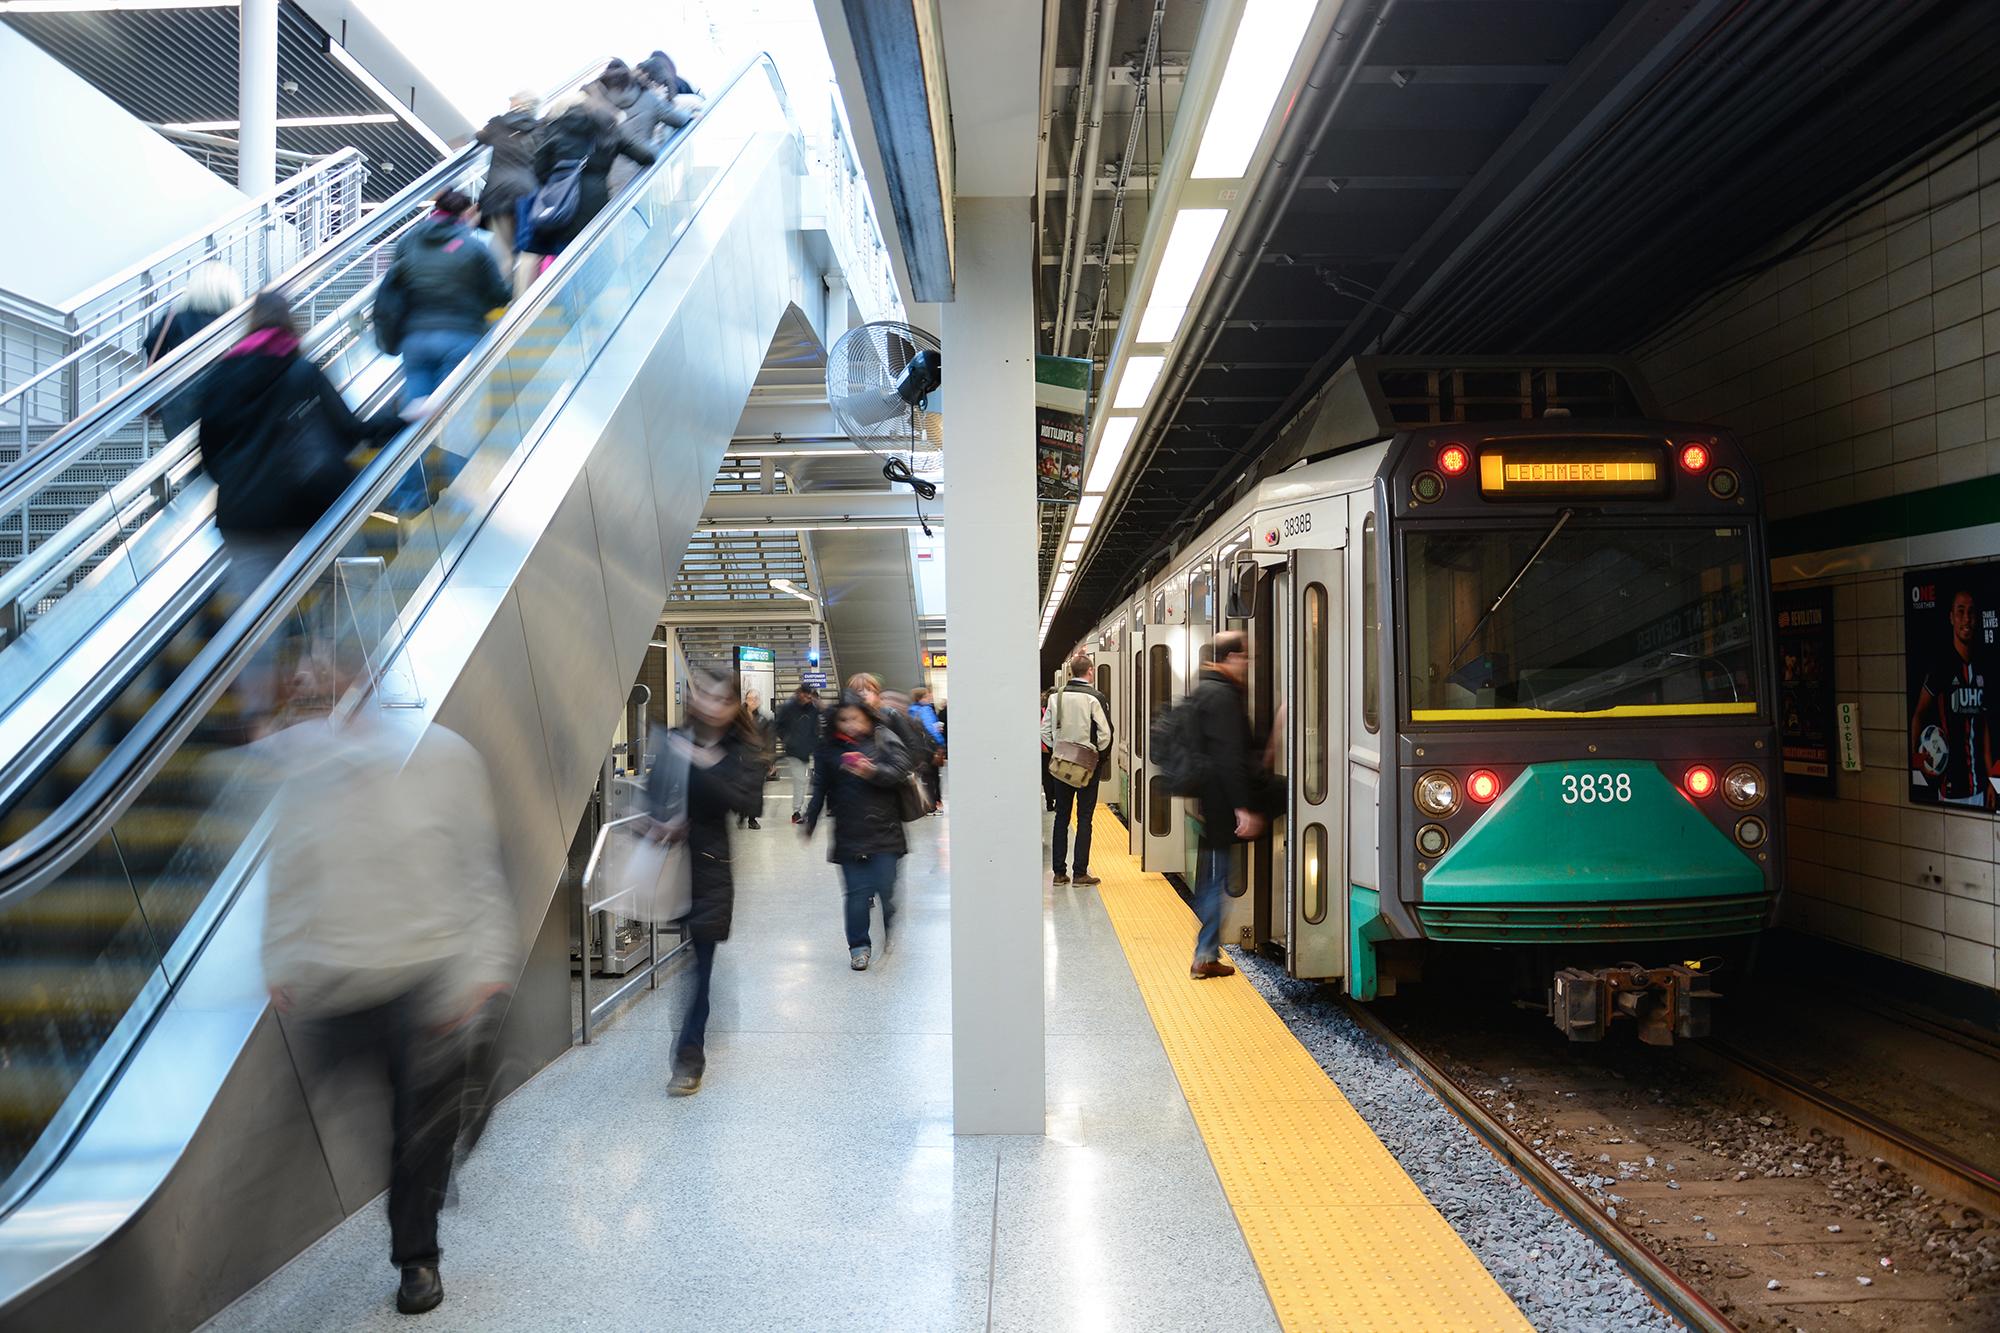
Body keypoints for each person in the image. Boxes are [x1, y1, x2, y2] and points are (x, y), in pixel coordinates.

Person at [259, 700, 517, 1316]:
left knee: (417, 1132)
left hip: (424, 976)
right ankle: (443, 1141)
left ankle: (417, 1259)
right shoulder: (306, 766)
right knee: (322, 1124)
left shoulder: (444, 758)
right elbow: (289, 865)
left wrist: (482, 968)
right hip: (340, 976)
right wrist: (280, 955)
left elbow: (477, 868)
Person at [644, 671, 763, 1096]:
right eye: (705, 695)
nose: (711, 704)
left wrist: (703, 763)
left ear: (735, 708)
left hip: (711, 868)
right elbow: (653, 796)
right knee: (697, 963)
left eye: (722, 698)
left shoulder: (740, 750)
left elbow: (749, 802)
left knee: (699, 965)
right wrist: (657, 823)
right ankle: (703, 1020)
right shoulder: (674, 740)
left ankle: (688, 1057)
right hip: (672, 866)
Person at [803, 695, 912, 971]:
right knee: (856, 894)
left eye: (856, 718)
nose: (850, 725)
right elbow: (820, 788)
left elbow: (900, 770)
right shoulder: (828, 751)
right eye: (844, 719)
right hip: (850, 833)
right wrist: (811, 820)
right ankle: (859, 946)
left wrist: (871, 770)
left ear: (867, 718)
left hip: (885, 830)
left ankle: (887, 923)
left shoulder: (881, 741)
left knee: (885, 889)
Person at [380, 188, 511, 410]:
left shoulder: (407, 243)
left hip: (415, 339)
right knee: (452, 410)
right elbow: (498, 295)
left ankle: (410, 442)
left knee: (418, 418)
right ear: (467, 214)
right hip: (459, 336)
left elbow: (393, 286)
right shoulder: (474, 247)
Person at [1187, 631, 1267, 980]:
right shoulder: (1222, 696)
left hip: (1210, 799)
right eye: (1245, 657)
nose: (1247, 664)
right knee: (1217, 879)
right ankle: (1204, 955)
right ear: (1231, 657)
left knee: (1211, 877)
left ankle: (1206, 952)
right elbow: (1228, 757)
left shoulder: (1206, 690)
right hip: (1222, 803)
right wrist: (1242, 807)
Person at [526, 92, 658, 259]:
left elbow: (539, 170)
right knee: (599, 262)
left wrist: (560, 178)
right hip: (597, 205)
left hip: (563, 208)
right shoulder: (607, 128)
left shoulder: (555, 128)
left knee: (566, 266)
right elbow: (646, 156)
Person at [1910, 586, 1997, 810]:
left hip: (1979, 788)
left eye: (1971, 612)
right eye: (1960, 611)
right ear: (1951, 618)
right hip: (1949, 789)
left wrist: (1992, 782)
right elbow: (1919, 714)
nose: (1966, 618)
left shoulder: (1982, 667)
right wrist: (1919, 762)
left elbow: (1985, 728)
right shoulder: (1941, 666)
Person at [146, 259, 243, 441]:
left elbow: (151, 343)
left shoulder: (175, 315)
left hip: (177, 405)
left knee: (182, 460)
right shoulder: (229, 321)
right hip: (218, 402)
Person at [1042, 653, 1112, 887]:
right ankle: (1080, 873)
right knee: (1084, 818)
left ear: (1071, 672)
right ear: (1090, 671)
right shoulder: (1095, 697)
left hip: (1061, 764)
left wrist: (1058, 750)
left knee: (1061, 816)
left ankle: (1059, 874)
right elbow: (1105, 734)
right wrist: (1098, 758)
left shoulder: (1056, 697)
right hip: (1086, 767)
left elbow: (1044, 732)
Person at [474, 91, 542, 295]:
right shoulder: (540, 129)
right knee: (527, 249)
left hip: (498, 192)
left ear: (515, 104)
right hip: (528, 192)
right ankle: (522, 302)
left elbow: (479, 137)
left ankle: (502, 305)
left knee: (503, 252)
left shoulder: (498, 124)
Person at [582, 58, 671, 195]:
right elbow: (647, 154)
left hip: (603, 180)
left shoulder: (596, 106)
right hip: (630, 176)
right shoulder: (644, 101)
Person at [774, 685, 822, 824]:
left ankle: (807, 810)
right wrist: (788, 740)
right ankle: (797, 812)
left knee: (812, 782)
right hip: (794, 751)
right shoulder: (788, 707)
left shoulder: (813, 709)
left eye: (809, 697)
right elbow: (778, 726)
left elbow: (815, 728)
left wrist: (814, 742)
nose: (807, 699)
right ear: (800, 693)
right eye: (806, 696)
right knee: (800, 781)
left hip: (810, 749)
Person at [734, 687, 773, 829]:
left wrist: (769, 760)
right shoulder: (738, 718)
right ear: (746, 700)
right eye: (750, 699)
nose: (753, 702)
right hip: (741, 760)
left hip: (758, 761)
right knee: (742, 789)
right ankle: (741, 813)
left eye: (756, 699)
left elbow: (769, 740)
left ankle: (752, 818)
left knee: (756, 791)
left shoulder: (764, 719)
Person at [908, 686, 946, 812]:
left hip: (917, 749)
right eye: (927, 695)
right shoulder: (925, 710)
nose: (930, 697)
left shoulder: (911, 710)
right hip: (930, 749)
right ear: (921, 698)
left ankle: (926, 804)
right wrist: (941, 743)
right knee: (933, 777)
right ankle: (933, 804)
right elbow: (932, 730)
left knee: (924, 777)